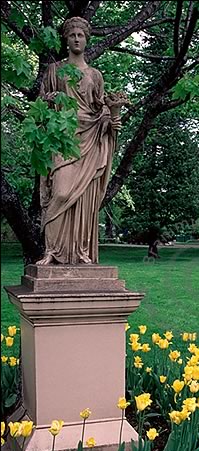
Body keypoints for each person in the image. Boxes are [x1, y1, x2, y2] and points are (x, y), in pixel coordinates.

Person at [36, 17, 126, 265]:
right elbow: (41, 105)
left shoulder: (95, 75)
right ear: (66, 39)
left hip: (90, 138)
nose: (77, 38)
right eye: (72, 35)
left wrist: (111, 120)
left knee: (84, 199)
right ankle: (52, 251)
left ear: (87, 40)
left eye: (81, 35)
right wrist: (51, 99)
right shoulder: (54, 70)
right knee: (62, 193)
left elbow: (101, 109)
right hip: (63, 138)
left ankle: (80, 252)